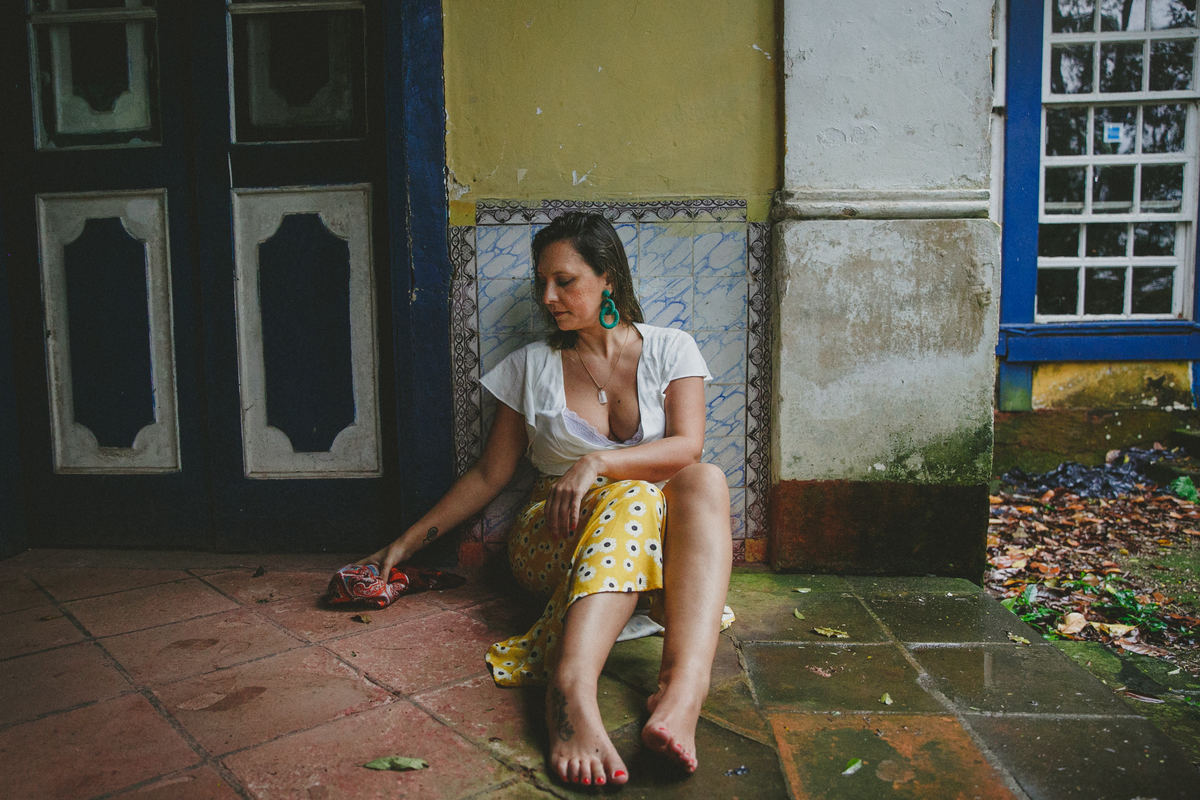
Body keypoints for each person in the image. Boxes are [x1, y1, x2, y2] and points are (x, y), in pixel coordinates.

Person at [360, 211, 732, 787]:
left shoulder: (670, 348)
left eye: (565, 281)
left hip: (652, 545)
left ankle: (683, 688)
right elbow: (489, 476)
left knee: (705, 479)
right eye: (541, 284)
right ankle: (569, 689)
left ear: (607, 278)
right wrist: (405, 544)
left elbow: (688, 447)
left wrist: (597, 461)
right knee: (634, 495)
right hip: (554, 536)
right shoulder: (529, 367)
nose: (548, 297)